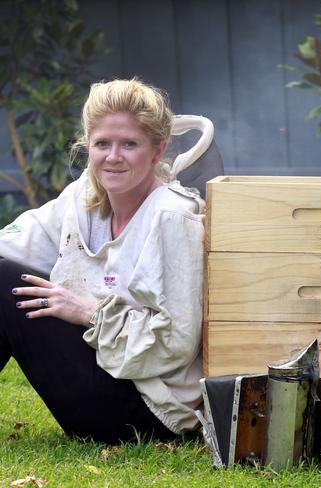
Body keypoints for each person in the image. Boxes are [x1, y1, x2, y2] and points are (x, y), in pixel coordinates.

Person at [0, 79, 205, 444]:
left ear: (157, 151)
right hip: (98, 379)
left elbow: (176, 345)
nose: (113, 156)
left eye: (129, 144)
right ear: (88, 146)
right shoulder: (85, 194)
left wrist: (88, 313)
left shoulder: (173, 217)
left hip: (147, 412)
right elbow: (21, 241)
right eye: (102, 144)